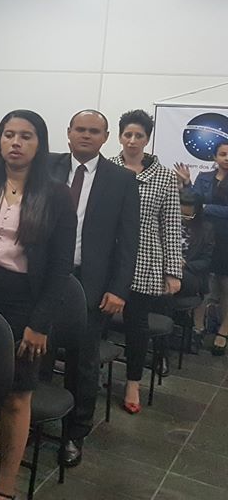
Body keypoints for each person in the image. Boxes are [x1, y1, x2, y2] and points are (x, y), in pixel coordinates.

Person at [0, 110, 75, 500]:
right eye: (8, 134)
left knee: (15, 396)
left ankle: (5, 485)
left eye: (26, 136)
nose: (15, 142)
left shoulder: (56, 195)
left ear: (39, 144)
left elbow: (60, 267)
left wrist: (40, 323)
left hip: (24, 302)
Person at [48, 109, 138, 466]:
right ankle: (31, 420)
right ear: (68, 132)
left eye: (94, 131)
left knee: (82, 363)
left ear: (106, 138)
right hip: (45, 278)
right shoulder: (47, 167)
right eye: (80, 129)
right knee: (36, 354)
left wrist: (119, 289)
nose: (86, 135)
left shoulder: (121, 180)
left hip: (91, 283)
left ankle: (75, 433)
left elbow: (128, 241)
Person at [108, 109, 182, 411]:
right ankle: (92, 372)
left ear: (147, 140)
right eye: (128, 134)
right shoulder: (107, 168)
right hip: (109, 255)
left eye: (139, 135)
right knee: (98, 318)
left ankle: (133, 383)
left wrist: (172, 270)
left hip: (146, 256)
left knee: (136, 325)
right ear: (119, 137)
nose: (132, 140)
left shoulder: (164, 176)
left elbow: (171, 224)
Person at [177, 139, 228, 355]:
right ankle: (198, 327)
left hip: (226, 239)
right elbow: (194, 202)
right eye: (223, 154)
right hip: (203, 236)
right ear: (215, 157)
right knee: (203, 285)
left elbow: (204, 206)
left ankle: (224, 331)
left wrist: (208, 207)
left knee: (225, 287)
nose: (226, 158)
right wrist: (187, 183)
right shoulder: (205, 177)